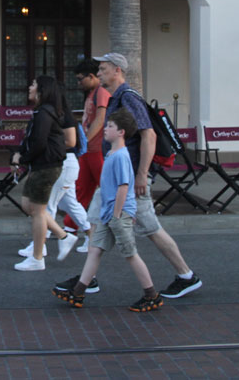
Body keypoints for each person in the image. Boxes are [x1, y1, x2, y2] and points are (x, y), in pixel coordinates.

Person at [86, 52, 203, 299]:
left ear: (117, 70)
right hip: (115, 178)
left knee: (150, 228)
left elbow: (148, 135)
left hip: (128, 179)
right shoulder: (118, 97)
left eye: (103, 69)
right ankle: (86, 279)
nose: (99, 73)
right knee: (96, 218)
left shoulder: (128, 98)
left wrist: (142, 175)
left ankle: (186, 275)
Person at [54, 108, 163, 312]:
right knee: (95, 250)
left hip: (117, 214)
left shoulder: (121, 156)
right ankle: (78, 292)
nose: (105, 129)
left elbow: (123, 187)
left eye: (110, 126)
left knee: (130, 254)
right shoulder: (112, 153)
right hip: (109, 214)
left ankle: (151, 295)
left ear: (121, 132)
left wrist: (116, 215)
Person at [10, 75, 77, 271]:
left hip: (47, 166)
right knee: (28, 205)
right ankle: (64, 236)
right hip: (41, 166)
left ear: (41, 90)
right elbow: (31, 139)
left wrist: (22, 160)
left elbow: (39, 143)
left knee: (38, 212)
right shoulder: (40, 111)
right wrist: (19, 154)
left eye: (33, 84)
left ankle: (37, 258)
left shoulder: (45, 113)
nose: (29, 87)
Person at [18, 81, 90, 260]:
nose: (30, 87)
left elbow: (71, 142)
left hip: (63, 163)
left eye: (35, 84)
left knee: (44, 207)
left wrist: (35, 154)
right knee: (68, 204)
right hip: (60, 163)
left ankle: (40, 247)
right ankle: (87, 237)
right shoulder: (48, 112)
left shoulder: (59, 114)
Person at [63, 58, 110, 251]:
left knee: (105, 193)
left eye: (81, 79)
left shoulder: (101, 93)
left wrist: (85, 141)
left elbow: (100, 119)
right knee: (81, 191)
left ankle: (95, 236)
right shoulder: (93, 93)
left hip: (96, 150)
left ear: (92, 76)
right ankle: (70, 230)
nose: (78, 83)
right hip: (89, 151)